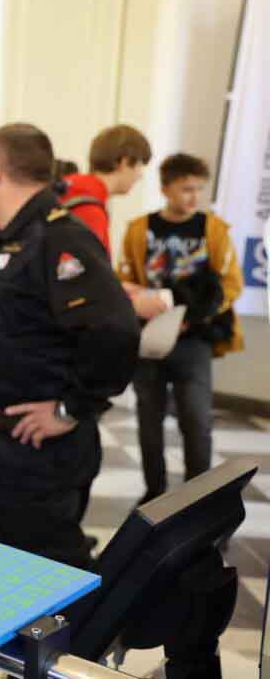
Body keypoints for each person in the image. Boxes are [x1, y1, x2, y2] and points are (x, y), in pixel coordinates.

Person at [0, 123, 140, 569]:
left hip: (33, 456)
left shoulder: (59, 238)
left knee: (37, 582)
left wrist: (71, 408)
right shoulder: (15, 238)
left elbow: (116, 330)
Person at [118, 153, 244, 503]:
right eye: (186, 189)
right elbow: (123, 280)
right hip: (150, 337)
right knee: (149, 418)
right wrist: (142, 301)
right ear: (165, 189)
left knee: (197, 419)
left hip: (194, 340)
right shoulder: (139, 230)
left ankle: (196, 496)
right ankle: (154, 492)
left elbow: (232, 284)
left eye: (199, 189)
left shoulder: (213, 229)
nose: (194, 197)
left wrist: (197, 314)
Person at [61, 124, 152, 255]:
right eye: (140, 165)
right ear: (124, 162)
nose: (140, 176)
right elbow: (74, 264)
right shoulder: (89, 210)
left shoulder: (70, 189)